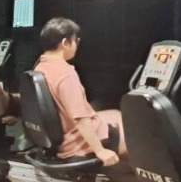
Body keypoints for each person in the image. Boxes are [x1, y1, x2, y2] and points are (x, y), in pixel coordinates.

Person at [34, 17, 124, 166]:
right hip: (73, 142)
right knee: (135, 134)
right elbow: (81, 119)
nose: (77, 45)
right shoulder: (65, 73)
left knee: (115, 114)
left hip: (60, 133)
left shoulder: (40, 67)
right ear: (65, 43)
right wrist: (100, 151)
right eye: (76, 40)